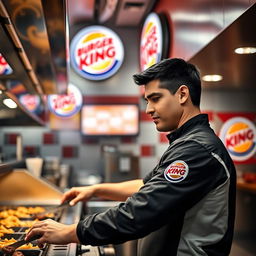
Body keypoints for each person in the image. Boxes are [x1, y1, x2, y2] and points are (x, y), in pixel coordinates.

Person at [26, 58, 236, 256]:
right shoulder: (186, 143)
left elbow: (141, 212)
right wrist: (96, 190)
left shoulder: (196, 150)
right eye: (147, 100)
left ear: (182, 95)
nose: (148, 109)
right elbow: (147, 186)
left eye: (155, 98)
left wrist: (70, 232)